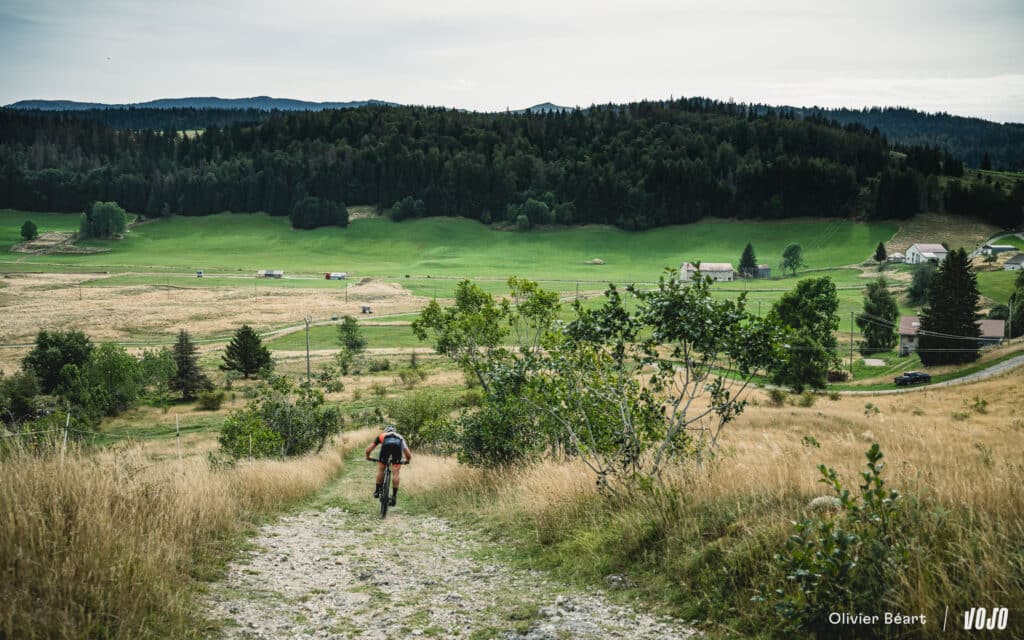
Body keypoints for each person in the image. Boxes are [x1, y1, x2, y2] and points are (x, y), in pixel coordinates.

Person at [365, 425, 412, 506]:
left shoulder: (382, 436)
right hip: (397, 449)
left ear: (386, 431)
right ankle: (394, 496)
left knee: (381, 470)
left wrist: (368, 457)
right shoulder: (400, 437)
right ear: (395, 431)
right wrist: (407, 460)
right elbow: (408, 454)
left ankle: (377, 491)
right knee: (396, 472)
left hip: (385, 449)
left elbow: (368, 449)